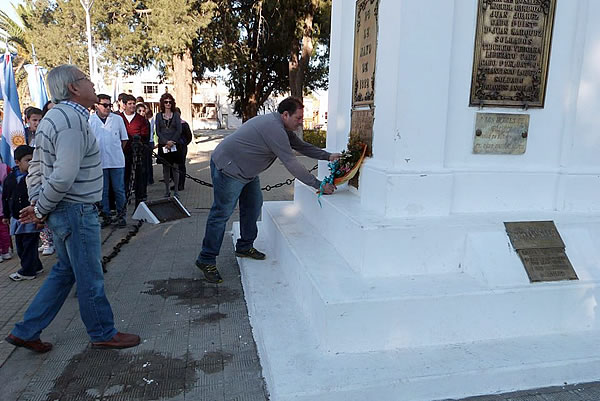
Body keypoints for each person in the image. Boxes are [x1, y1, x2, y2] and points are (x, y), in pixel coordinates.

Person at [5, 65, 140, 353]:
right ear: (73, 88)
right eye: (86, 79)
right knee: (89, 275)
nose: (92, 83)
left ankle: (26, 330)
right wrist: (41, 208)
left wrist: (39, 204)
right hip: (75, 210)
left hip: (65, 209)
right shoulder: (69, 120)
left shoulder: (58, 117)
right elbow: (64, 174)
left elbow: (39, 166)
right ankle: (103, 332)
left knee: (66, 271)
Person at [195, 97, 340, 283]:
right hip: (229, 168)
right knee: (221, 214)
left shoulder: (283, 127)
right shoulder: (275, 129)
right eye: (298, 118)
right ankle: (206, 259)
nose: (301, 122)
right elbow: (291, 163)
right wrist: (319, 185)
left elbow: (302, 147)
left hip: (247, 171)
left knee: (254, 206)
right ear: (285, 115)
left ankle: (245, 246)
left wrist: (328, 156)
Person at [3, 145, 43, 281]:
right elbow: (6, 197)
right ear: (17, 162)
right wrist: (6, 215)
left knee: (29, 246)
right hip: (17, 218)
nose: (31, 163)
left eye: (34, 160)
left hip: (31, 219)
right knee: (21, 246)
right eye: (28, 160)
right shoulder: (10, 179)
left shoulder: (36, 178)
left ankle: (27, 271)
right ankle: (36, 265)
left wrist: (40, 217)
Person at [89, 94, 128, 228]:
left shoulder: (117, 119)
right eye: (104, 105)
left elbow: (124, 139)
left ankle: (122, 215)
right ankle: (105, 215)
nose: (107, 108)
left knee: (119, 190)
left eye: (109, 105)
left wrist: (116, 150)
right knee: (103, 191)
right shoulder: (90, 121)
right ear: (97, 106)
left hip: (116, 161)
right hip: (99, 162)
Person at [119, 94, 149, 203]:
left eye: (133, 104)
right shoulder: (118, 118)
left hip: (138, 153)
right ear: (124, 105)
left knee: (139, 177)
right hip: (123, 152)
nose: (132, 106)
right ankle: (125, 197)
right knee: (125, 176)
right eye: (130, 104)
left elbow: (145, 135)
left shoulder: (140, 119)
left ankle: (140, 198)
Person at [155, 93, 182, 198]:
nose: (168, 104)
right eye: (166, 102)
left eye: (170, 102)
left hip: (174, 144)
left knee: (175, 167)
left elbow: (179, 130)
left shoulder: (176, 115)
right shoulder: (158, 116)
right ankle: (166, 190)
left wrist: (172, 141)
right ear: (163, 103)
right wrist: (166, 142)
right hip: (164, 145)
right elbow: (158, 131)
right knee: (165, 168)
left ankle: (176, 190)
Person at [0, 156, 11, 262]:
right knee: (4, 229)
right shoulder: (5, 167)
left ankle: (3, 252)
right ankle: (5, 251)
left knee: (3, 229)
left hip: (3, 203)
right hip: (3, 203)